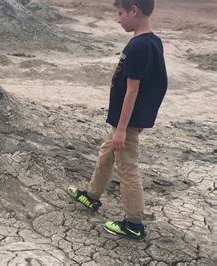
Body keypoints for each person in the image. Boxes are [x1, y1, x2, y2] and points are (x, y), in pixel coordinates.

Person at [67, 0, 168, 241]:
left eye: (120, 13)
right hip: (126, 121)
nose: (118, 19)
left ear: (134, 10)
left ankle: (134, 224)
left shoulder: (139, 47)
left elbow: (133, 90)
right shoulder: (152, 41)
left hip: (127, 122)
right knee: (106, 152)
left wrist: (122, 128)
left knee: (127, 167)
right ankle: (92, 196)